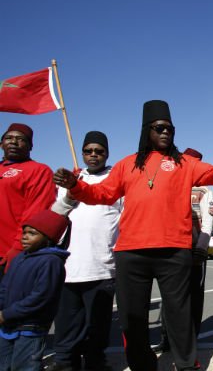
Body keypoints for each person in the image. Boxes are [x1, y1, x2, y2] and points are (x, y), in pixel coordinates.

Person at [53, 100, 213, 371]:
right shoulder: (126, 165)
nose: (166, 132)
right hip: (131, 253)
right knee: (132, 318)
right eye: (159, 127)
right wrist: (76, 185)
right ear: (147, 129)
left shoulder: (185, 163)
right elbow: (101, 194)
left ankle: (185, 365)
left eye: (170, 128)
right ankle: (142, 365)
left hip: (174, 251)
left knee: (180, 315)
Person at [50, 131, 123, 371]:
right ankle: (64, 363)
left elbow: (126, 219)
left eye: (99, 151)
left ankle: (95, 363)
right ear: (82, 153)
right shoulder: (71, 178)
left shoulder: (116, 180)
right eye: (88, 151)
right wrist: (70, 192)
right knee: (67, 325)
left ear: (107, 153)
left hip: (101, 266)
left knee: (98, 327)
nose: (93, 155)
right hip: (69, 267)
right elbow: (56, 215)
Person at [153, 148, 213, 354]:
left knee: (194, 297)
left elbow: (208, 222)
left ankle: (191, 339)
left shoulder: (204, 190)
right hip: (171, 250)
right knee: (170, 297)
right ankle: (167, 338)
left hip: (194, 250)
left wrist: (201, 249)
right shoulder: (169, 183)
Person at [0, 210, 70, 371]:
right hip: (8, 325)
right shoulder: (19, 258)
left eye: (32, 233)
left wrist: (6, 314)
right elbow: (5, 287)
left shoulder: (51, 262)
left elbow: (41, 297)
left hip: (30, 328)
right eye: (24, 232)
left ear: (48, 238)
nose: (25, 237)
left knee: (25, 366)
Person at [0, 123, 57, 277]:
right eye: (8, 138)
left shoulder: (38, 170)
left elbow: (35, 212)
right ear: (1, 143)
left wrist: (18, 248)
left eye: (20, 139)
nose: (13, 142)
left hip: (9, 254)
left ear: (30, 146)